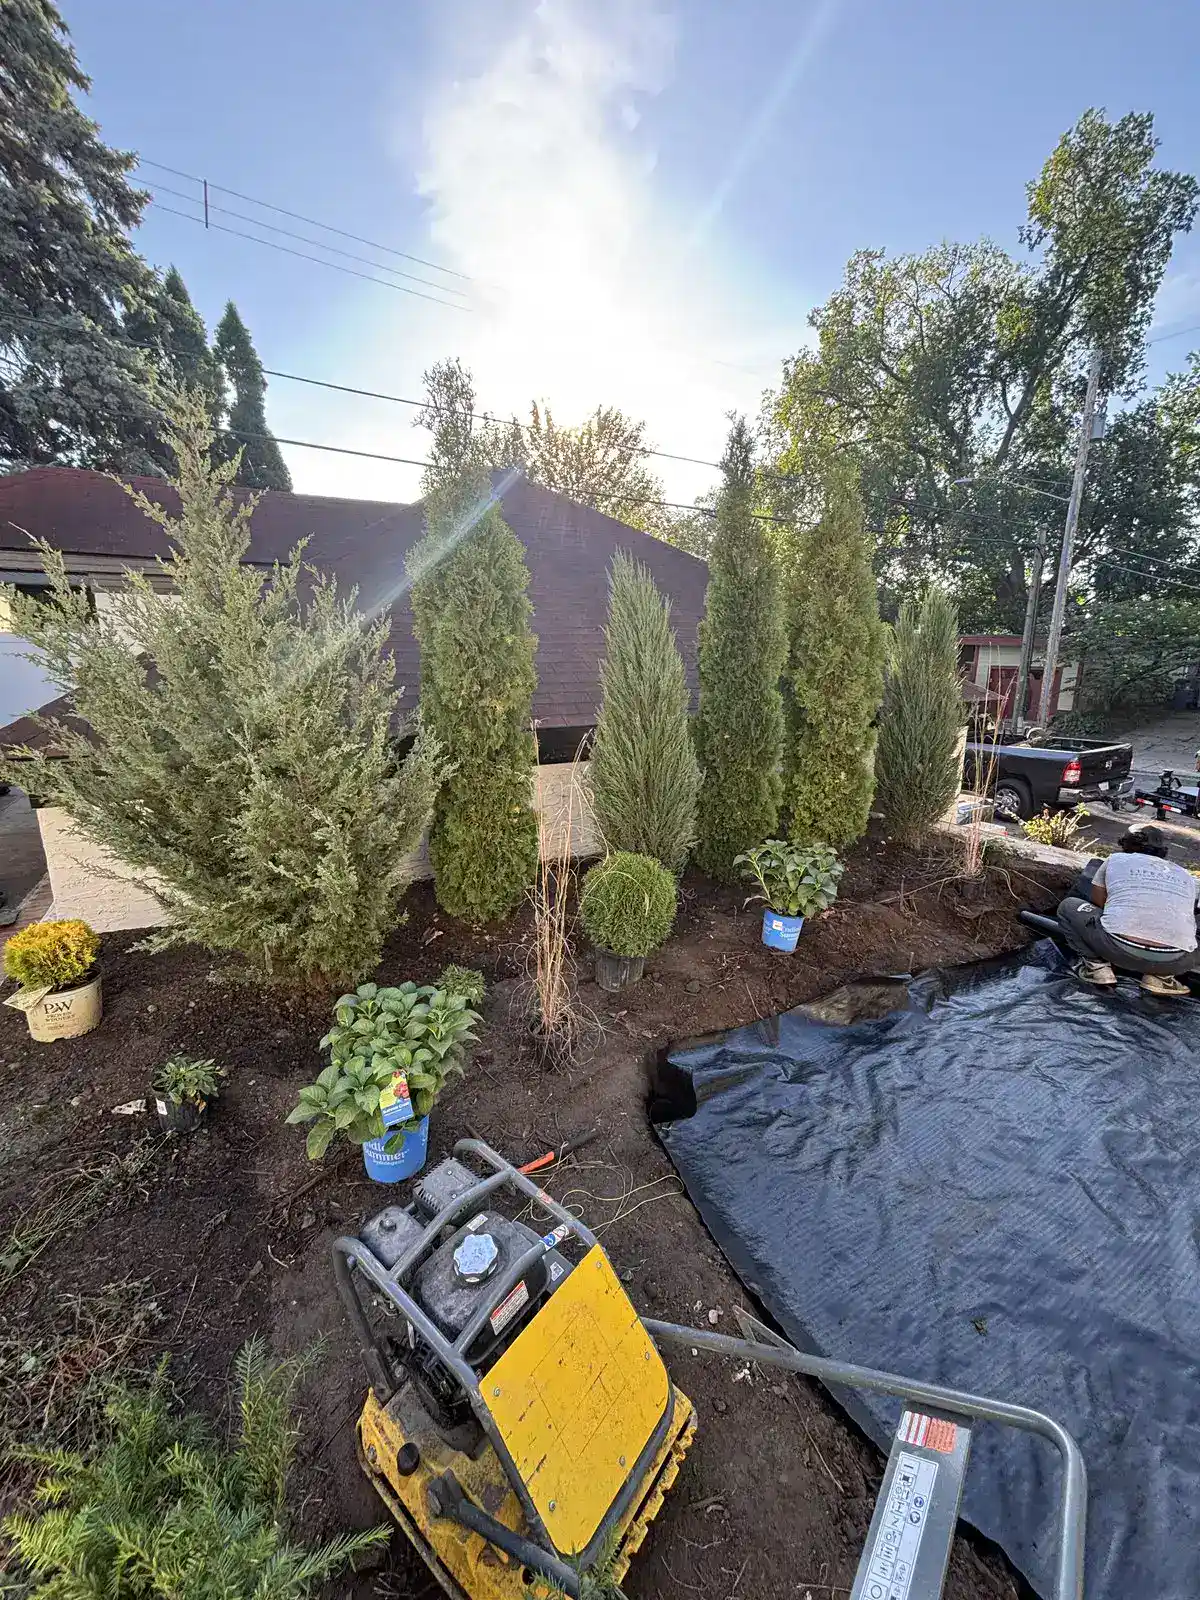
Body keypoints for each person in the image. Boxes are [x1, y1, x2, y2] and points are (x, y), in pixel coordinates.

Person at [1057, 825, 1199, 997]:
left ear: (1125, 844)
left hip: (1116, 950)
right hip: (1176, 961)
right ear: (1163, 851)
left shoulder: (1114, 860)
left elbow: (1097, 902)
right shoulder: (1186, 875)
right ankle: (1162, 978)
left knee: (1068, 905)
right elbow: (1186, 916)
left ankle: (1097, 968)